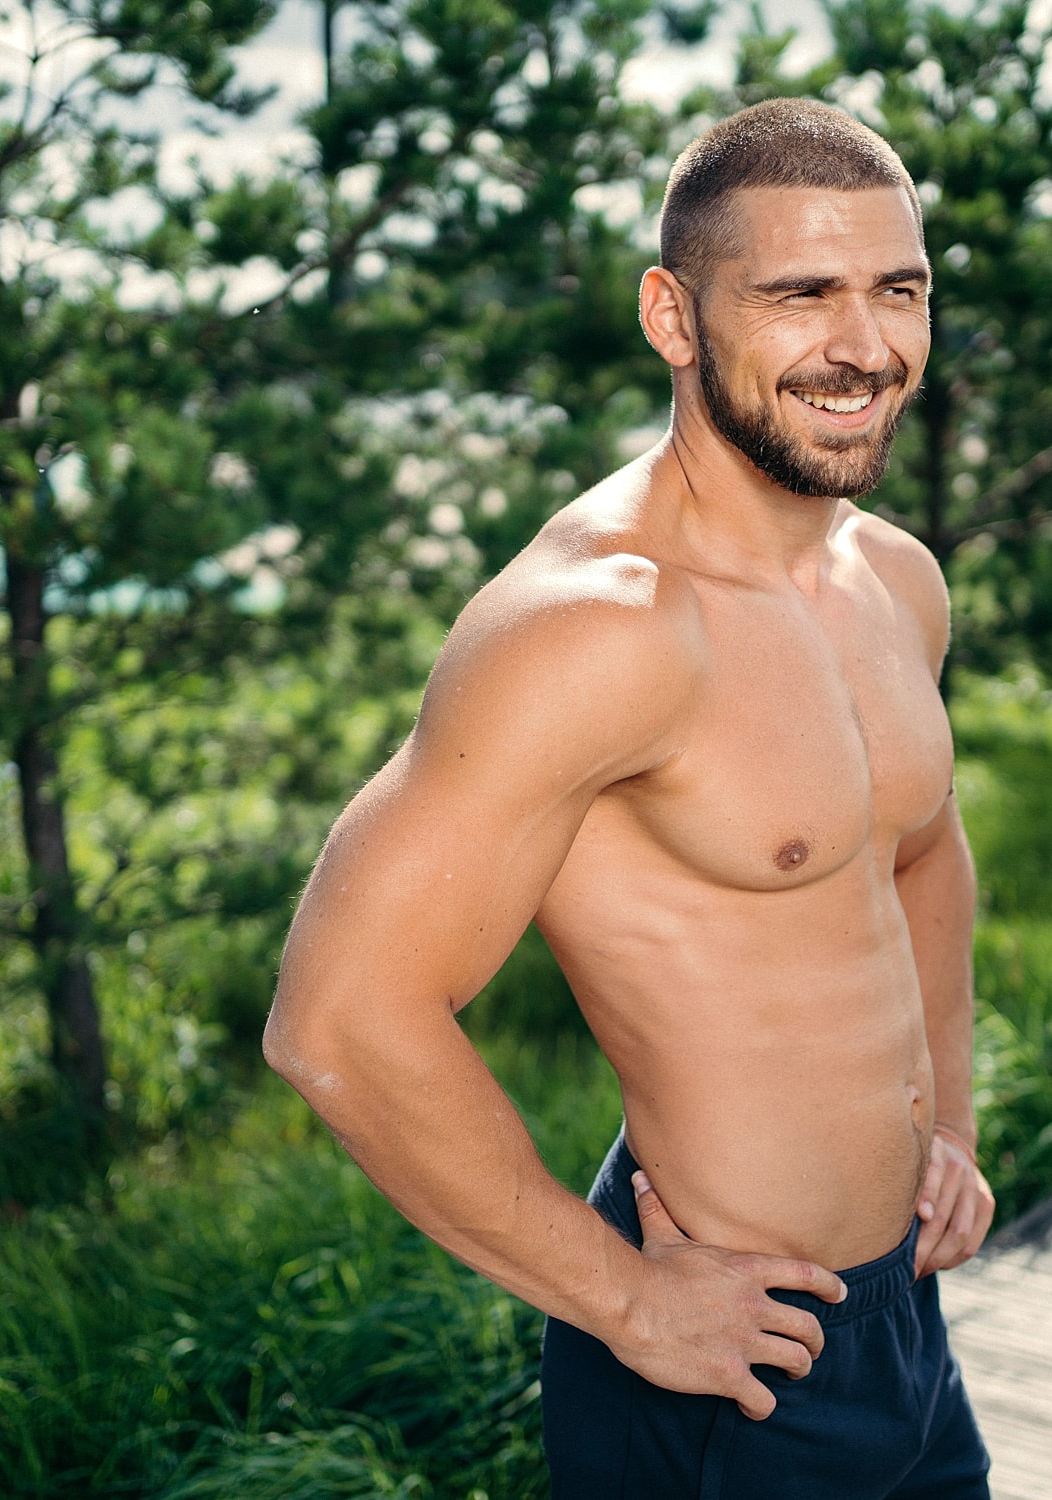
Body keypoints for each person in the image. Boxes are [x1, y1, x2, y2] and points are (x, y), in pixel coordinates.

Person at [264, 96, 996, 1499]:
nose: (865, 347)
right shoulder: (596, 628)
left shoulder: (892, 576)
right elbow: (339, 1021)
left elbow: (919, 856)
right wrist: (623, 1298)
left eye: (897, 290)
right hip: (730, 1355)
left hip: (902, 1310)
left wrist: (947, 1120)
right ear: (673, 315)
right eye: (801, 297)